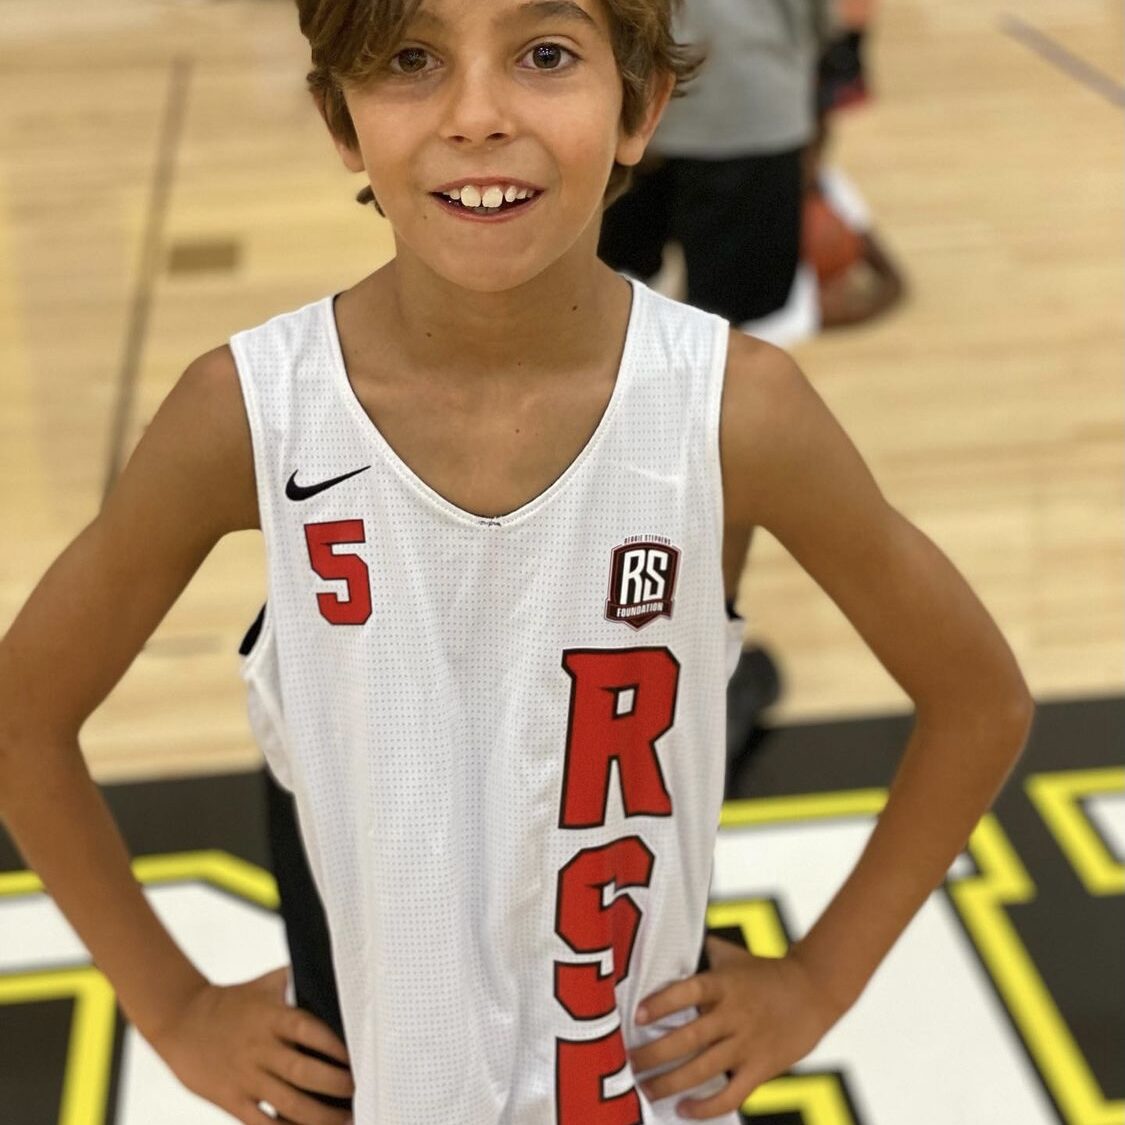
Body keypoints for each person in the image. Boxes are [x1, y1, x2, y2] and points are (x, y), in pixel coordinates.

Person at [0, 1, 1034, 1123]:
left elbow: (979, 700)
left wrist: (818, 983)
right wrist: (175, 1008)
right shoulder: (247, 412)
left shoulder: (739, 411)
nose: (478, 115)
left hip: (641, 1094)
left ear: (639, 105)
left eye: (544, 55)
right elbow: (21, 721)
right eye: (411, 59)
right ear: (341, 121)